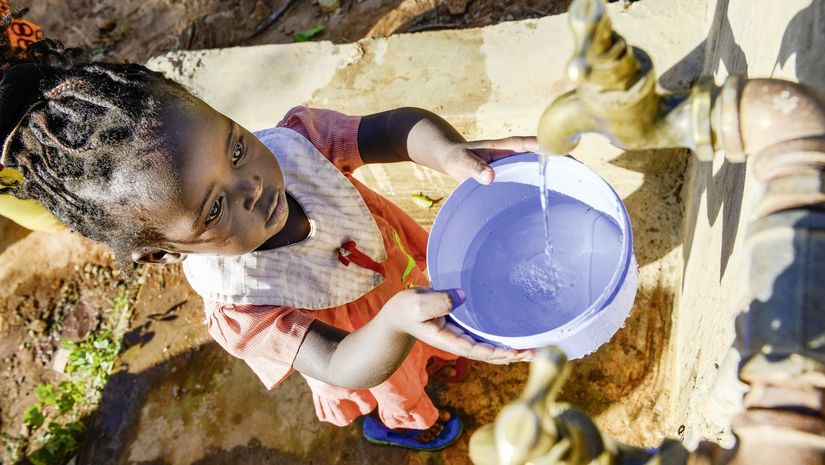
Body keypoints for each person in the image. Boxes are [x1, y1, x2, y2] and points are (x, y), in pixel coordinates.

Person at [0, 37, 537, 450]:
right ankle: (399, 422)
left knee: (428, 336)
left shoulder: (300, 142)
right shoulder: (244, 304)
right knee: (398, 380)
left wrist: (447, 151)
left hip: (402, 282)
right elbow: (345, 363)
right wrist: (393, 323)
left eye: (236, 148)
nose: (252, 185)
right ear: (163, 253)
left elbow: (394, 128)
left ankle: (428, 356)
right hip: (369, 350)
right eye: (214, 208)